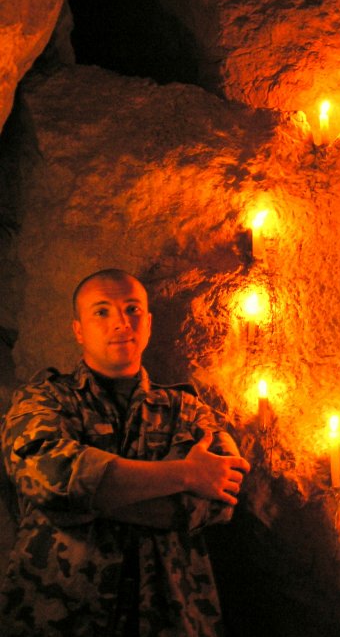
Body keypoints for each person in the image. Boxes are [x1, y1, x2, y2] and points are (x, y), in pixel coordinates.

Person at [0, 269, 251, 636]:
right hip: (59, 615)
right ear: (79, 330)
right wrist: (185, 474)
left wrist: (81, 503)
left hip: (171, 613)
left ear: (148, 324)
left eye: (132, 309)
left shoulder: (188, 410)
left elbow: (219, 498)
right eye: (101, 312)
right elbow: (49, 479)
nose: (121, 321)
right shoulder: (42, 400)